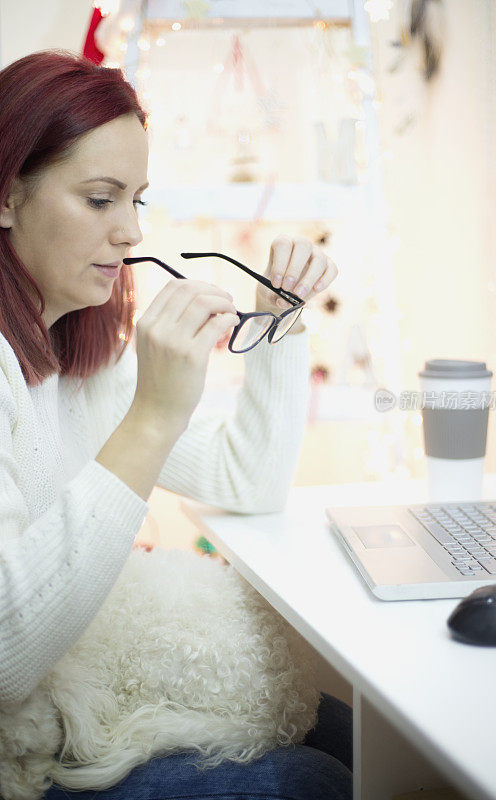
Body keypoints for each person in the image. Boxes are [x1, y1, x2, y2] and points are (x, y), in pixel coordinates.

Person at [0, 49, 351, 799]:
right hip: (18, 748)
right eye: (100, 199)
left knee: (354, 732)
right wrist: (154, 414)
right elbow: (4, 660)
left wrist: (277, 324)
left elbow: (248, 480)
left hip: (76, 699)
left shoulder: (81, 355)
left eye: (138, 201)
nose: (130, 233)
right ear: (6, 196)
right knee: (318, 779)